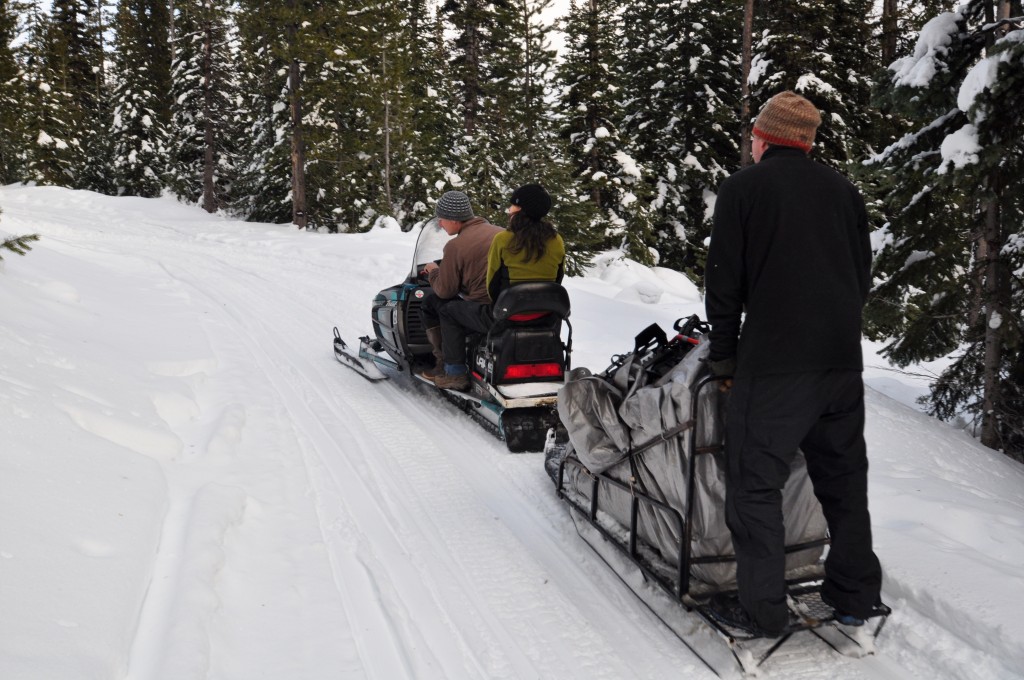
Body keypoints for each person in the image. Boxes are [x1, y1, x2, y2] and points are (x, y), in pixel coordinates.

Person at [703, 91, 882, 637]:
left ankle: (763, 610)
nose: (752, 142)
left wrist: (725, 356)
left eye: (755, 135)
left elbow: (724, 281)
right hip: (840, 362)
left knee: (755, 485)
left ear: (766, 136)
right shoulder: (842, 190)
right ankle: (855, 596)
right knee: (844, 482)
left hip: (776, 364)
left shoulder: (743, 187)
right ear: (805, 142)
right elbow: (861, 275)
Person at [420, 190, 502, 390]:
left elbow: (444, 291)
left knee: (435, 304)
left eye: (442, 219)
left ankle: (452, 371)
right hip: (507, 304)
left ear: (455, 220)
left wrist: (434, 271)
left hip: (485, 310)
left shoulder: (456, 245)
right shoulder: (501, 233)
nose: (440, 224)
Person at [485, 183, 565, 303]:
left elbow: (492, 284)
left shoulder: (502, 239)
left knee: (452, 310)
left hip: (510, 314)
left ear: (520, 208)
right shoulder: (556, 239)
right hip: (547, 312)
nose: (509, 209)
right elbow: (559, 277)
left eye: (513, 205)